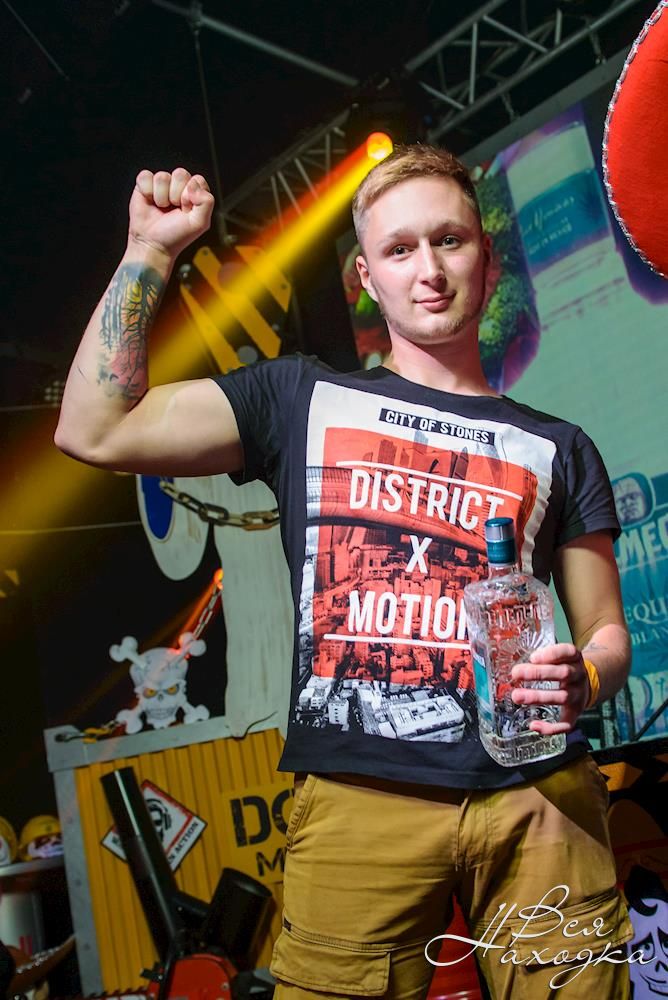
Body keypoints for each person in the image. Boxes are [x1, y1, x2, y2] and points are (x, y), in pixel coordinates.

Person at [56, 147, 634, 998]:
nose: (429, 270)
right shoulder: (300, 399)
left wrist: (585, 675)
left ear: (487, 256)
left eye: (449, 240)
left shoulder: (559, 445)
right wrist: (149, 252)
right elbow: (93, 429)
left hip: (540, 797)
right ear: (366, 276)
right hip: (360, 799)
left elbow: (607, 631)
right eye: (400, 249)